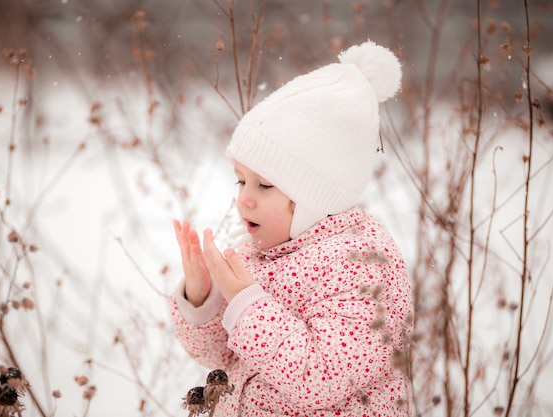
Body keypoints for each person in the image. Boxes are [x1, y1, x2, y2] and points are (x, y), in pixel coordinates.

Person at [170, 40, 414, 416]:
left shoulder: (364, 265)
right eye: (241, 181)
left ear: (316, 197)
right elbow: (221, 356)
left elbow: (321, 377)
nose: (244, 199)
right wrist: (205, 299)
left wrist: (247, 303)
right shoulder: (265, 250)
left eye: (264, 185)